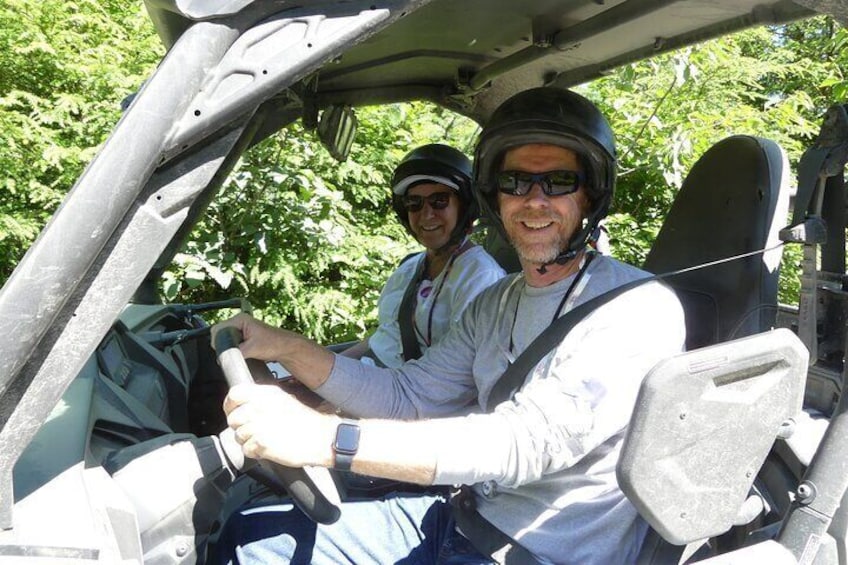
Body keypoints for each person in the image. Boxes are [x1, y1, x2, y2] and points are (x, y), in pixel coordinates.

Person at [211, 87, 686, 564]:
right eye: (515, 182)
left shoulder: (636, 307)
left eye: (559, 181)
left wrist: (325, 438)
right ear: (494, 197)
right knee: (253, 538)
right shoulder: (497, 302)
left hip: (535, 552)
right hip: (461, 514)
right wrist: (288, 347)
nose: (535, 201)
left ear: (591, 194)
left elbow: (523, 443)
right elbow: (408, 395)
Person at [339, 143, 506, 368]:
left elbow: (459, 370)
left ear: (465, 207)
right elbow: (386, 336)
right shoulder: (410, 267)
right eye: (414, 203)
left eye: (439, 201)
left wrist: (349, 388)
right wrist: (330, 368)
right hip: (372, 373)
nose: (426, 214)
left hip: (406, 392)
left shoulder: (480, 276)